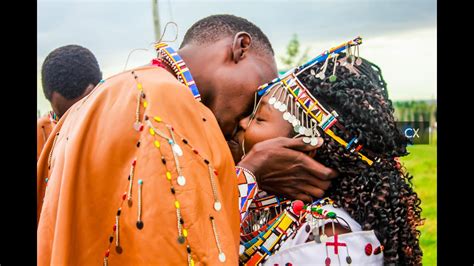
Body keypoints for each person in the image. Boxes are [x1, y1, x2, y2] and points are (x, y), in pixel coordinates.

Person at [37, 14, 337, 265]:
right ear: (240, 48)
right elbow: (178, 243)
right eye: (259, 94)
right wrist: (250, 174)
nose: (249, 116)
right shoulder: (162, 101)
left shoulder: (107, 98)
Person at [234, 39, 423, 265]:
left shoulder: (328, 242)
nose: (243, 122)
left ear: (305, 148)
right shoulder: (266, 204)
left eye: (259, 118)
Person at [37, 44, 102, 160]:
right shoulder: (41, 136)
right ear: (49, 99)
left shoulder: (129, 128)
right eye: (63, 117)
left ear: (100, 88)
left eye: (81, 113)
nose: (73, 127)